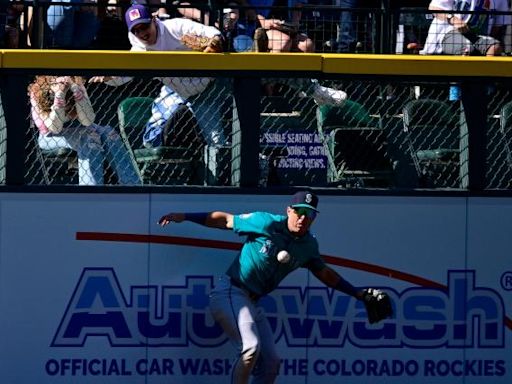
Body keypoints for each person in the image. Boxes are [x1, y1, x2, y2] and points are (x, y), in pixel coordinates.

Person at [158, 190, 390, 383]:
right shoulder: (266, 223)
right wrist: (185, 216)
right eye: (299, 211)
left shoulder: (308, 245)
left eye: (309, 214)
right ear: (289, 210)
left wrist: (358, 293)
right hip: (231, 291)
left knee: (271, 363)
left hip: (252, 302)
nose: (303, 218)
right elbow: (226, 220)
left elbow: (325, 273)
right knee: (250, 348)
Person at [90, 3, 228, 148]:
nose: (142, 33)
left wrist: (215, 42)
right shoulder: (139, 50)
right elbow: (125, 76)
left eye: (144, 26)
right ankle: (184, 126)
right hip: (176, 91)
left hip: (206, 91)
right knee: (151, 139)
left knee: (216, 141)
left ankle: (191, 127)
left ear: (154, 19)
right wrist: (110, 77)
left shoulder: (175, 27)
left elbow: (214, 34)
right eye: (136, 30)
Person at [28, 75, 141, 185]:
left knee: (109, 132)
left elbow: (88, 121)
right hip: (51, 136)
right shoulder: (38, 90)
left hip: (82, 128)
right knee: (89, 138)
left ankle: (132, 184)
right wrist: (59, 94)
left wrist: (75, 89)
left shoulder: (75, 82)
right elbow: (55, 128)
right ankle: (91, 190)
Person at [421, 0, 510, 56]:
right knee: (467, 49)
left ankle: (486, 84)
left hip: (477, 37)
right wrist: (453, 19)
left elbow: (497, 26)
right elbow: (433, 7)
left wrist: (485, 43)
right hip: (448, 33)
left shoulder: (502, 1)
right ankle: (456, 85)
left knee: (494, 47)